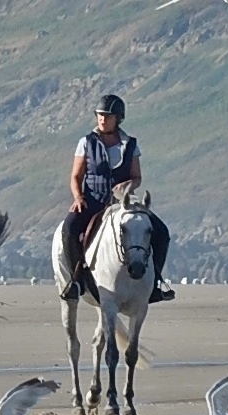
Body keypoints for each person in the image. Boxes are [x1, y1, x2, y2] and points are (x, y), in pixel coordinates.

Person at [60, 94, 173, 303]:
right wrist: (77, 197)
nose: (102, 120)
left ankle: (156, 282)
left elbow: (137, 177)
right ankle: (76, 281)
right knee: (68, 230)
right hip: (92, 201)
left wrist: (129, 185)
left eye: (107, 116)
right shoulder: (86, 143)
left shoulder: (130, 145)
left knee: (162, 233)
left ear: (118, 118)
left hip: (123, 203)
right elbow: (76, 176)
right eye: (100, 115)